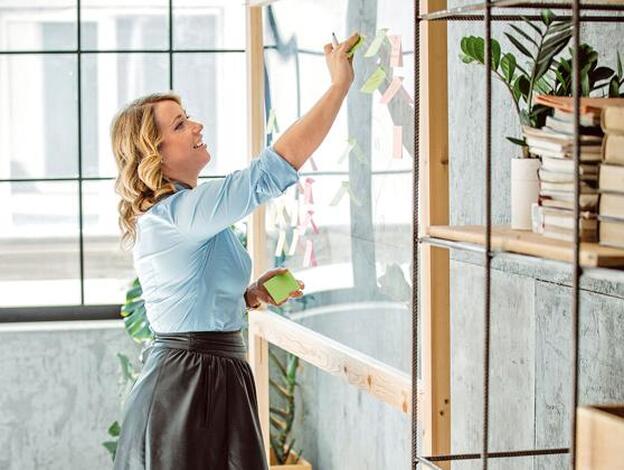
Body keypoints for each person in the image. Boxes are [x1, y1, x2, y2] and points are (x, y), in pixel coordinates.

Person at [110, 31, 360, 470]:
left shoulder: (187, 213)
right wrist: (338, 86)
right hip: (189, 385)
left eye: (188, 117)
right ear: (156, 153)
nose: (196, 126)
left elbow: (191, 299)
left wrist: (249, 295)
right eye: (180, 124)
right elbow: (271, 171)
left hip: (208, 374)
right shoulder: (179, 214)